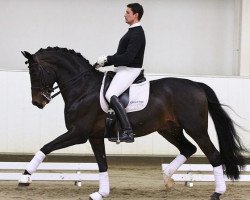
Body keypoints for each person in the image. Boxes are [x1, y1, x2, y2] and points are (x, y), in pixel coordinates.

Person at [96, 3, 146, 143]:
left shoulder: (137, 33)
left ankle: (128, 132)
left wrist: (108, 58)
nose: (125, 14)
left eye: (128, 12)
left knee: (110, 94)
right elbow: (121, 55)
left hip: (131, 70)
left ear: (135, 15)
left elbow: (128, 57)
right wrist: (103, 63)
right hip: (123, 68)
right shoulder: (131, 31)